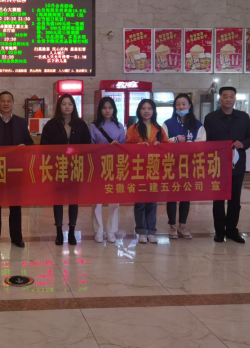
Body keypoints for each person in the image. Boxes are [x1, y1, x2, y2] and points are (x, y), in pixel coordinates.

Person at [0, 91, 33, 248]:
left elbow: (29, 143)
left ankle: (16, 237)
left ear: (13, 104)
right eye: (3, 101)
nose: (6, 103)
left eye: (9, 100)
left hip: (15, 171)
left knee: (15, 206)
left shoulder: (21, 122)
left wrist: (25, 146)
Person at [204, 87, 250, 244]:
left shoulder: (243, 117)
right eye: (225, 96)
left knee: (235, 199)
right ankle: (219, 232)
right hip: (217, 164)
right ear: (220, 99)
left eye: (231, 96)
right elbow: (206, 141)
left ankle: (232, 231)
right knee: (218, 199)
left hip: (237, 165)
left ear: (235, 99)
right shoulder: (211, 118)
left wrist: (243, 143)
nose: (228, 99)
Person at [41, 94, 91, 246]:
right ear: (59, 106)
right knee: (58, 200)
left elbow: (87, 146)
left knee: (73, 200)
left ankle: (71, 231)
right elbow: (44, 147)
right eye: (64, 104)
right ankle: (58, 231)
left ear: (74, 106)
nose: (67, 107)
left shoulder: (81, 125)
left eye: (70, 104)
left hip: (75, 167)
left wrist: (75, 152)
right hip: (58, 167)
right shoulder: (51, 125)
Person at [162, 93, 206, 240]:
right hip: (171, 164)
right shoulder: (167, 123)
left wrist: (190, 144)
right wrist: (175, 140)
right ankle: (172, 226)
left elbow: (202, 143)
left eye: (184, 104)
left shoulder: (197, 124)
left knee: (186, 195)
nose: (181, 107)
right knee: (172, 196)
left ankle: (183, 226)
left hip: (189, 165)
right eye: (178, 104)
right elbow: (162, 142)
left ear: (189, 106)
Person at [126, 99, 168, 244]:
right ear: (139, 111)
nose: (146, 111)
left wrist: (159, 145)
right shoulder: (133, 129)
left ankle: (151, 231)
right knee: (140, 202)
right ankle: (141, 232)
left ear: (153, 111)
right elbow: (127, 147)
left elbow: (166, 147)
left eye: (149, 108)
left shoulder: (159, 129)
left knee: (152, 202)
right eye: (143, 108)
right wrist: (138, 146)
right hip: (138, 169)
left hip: (154, 169)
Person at [89, 97, 126, 243]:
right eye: (104, 107)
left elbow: (124, 146)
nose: (107, 110)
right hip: (98, 167)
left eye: (110, 107)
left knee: (114, 201)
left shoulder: (119, 126)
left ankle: (111, 230)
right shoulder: (94, 126)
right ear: (100, 110)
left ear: (114, 109)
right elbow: (90, 146)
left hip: (115, 166)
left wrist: (118, 145)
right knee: (97, 200)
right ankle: (98, 230)